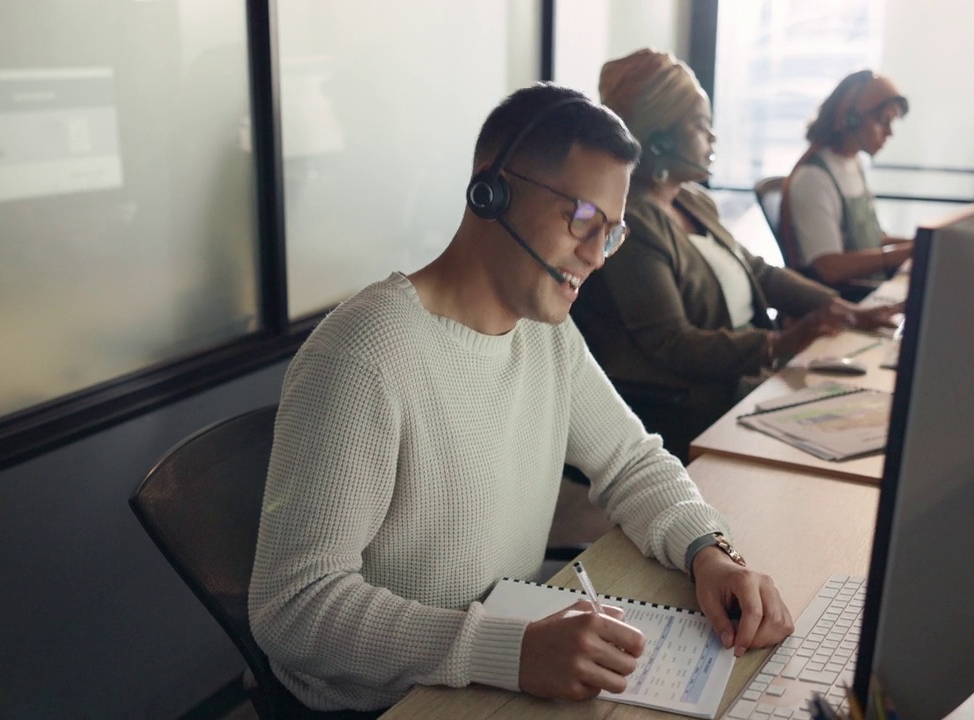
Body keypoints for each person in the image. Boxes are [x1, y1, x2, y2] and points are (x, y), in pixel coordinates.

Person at [248, 83, 795, 716]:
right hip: (388, 702)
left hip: (498, 661)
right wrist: (505, 650)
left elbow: (632, 463)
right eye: (583, 219)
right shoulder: (364, 355)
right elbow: (293, 605)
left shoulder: (546, 334)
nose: (595, 256)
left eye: (611, 234)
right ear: (492, 190)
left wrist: (711, 553)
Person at [571, 50, 898, 463]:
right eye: (702, 128)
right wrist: (779, 343)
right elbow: (675, 344)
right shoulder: (631, 223)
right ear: (659, 140)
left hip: (745, 376)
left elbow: (759, 273)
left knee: (872, 416)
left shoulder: (692, 201)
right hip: (692, 401)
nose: (713, 139)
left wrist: (844, 310)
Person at [781, 70, 913, 301]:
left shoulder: (853, 163)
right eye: (883, 121)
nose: (890, 133)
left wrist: (921, 245)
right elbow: (829, 267)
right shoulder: (814, 178)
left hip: (872, 291)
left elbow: (870, 239)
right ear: (850, 120)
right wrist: (901, 253)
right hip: (847, 303)